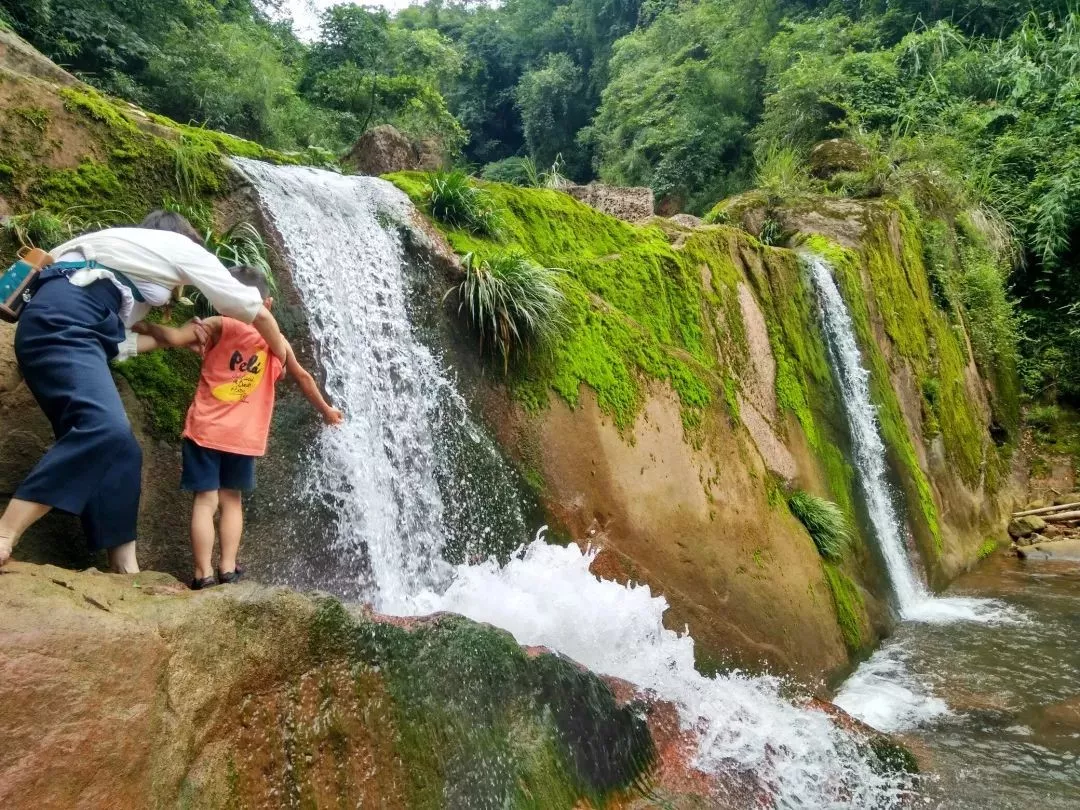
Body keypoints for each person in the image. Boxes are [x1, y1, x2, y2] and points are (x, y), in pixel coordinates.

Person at [0, 211, 290, 573]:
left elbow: (120, 345)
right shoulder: (179, 247)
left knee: (122, 449)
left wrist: (174, 338)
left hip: (59, 332)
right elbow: (251, 309)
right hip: (63, 327)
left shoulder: (112, 255)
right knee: (104, 429)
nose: (174, 295)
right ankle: (5, 533)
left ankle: (125, 568)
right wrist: (281, 349)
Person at [134, 265, 343, 589]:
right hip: (243, 438)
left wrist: (140, 322)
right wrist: (327, 410)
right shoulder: (276, 343)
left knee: (206, 501)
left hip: (206, 430)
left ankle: (202, 573)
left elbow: (174, 338)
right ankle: (228, 568)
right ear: (268, 304)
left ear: (220, 300)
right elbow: (302, 377)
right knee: (232, 500)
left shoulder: (218, 324)